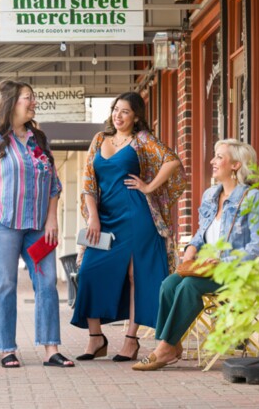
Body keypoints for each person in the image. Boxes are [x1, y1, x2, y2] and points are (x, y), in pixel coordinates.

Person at [0, 80, 74, 369]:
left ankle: (51, 350)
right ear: (12, 103)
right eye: (28, 98)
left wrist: (52, 219)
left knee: (46, 283)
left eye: (34, 98)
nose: (33, 103)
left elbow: (54, 185)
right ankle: (7, 349)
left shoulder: (40, 139)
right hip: (2, 225)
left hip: (37, 227)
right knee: (6, 284)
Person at [71, 92, 186, 362]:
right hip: (105, 217)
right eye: (115, 110)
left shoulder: (142, 140)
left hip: (137, 216)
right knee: (89, 271)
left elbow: (172, 161)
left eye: (125, 111)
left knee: (137, 277)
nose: (118, 116)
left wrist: (148, 187)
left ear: (136, 116)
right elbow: (88, 181)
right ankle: (96, 338)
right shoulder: (99, 139)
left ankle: (130, 341)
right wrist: (93, 217)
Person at [132, 138, 259, 370]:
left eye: (219, 157)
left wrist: (224, 260)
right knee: (169, 284)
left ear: (235, 165)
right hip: (207, 268)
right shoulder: (210, 195)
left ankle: (164, 349)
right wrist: (191, 249)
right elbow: (201, 233)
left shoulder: (253, 198)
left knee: (189, 286)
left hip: (236, 273)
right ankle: (171, 346)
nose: (212, 161)